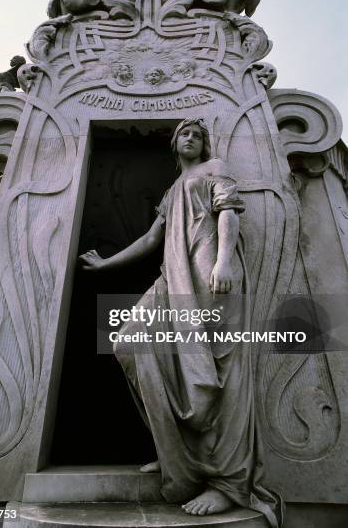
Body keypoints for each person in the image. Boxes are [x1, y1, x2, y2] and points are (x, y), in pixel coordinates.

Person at [80, 118, 282, 526]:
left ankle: (225, 483)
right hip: (172, 276)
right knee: (129, 342)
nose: (191, 138)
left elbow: (227, 213)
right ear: (174, 144)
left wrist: (224, 261)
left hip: (209, 269)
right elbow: (152, 240)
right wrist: (104, 265)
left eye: (198, 134)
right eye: (184, 134)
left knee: (218, 371)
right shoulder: (173, 190)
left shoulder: (215, 169)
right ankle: (174, 450)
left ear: (206, 145)